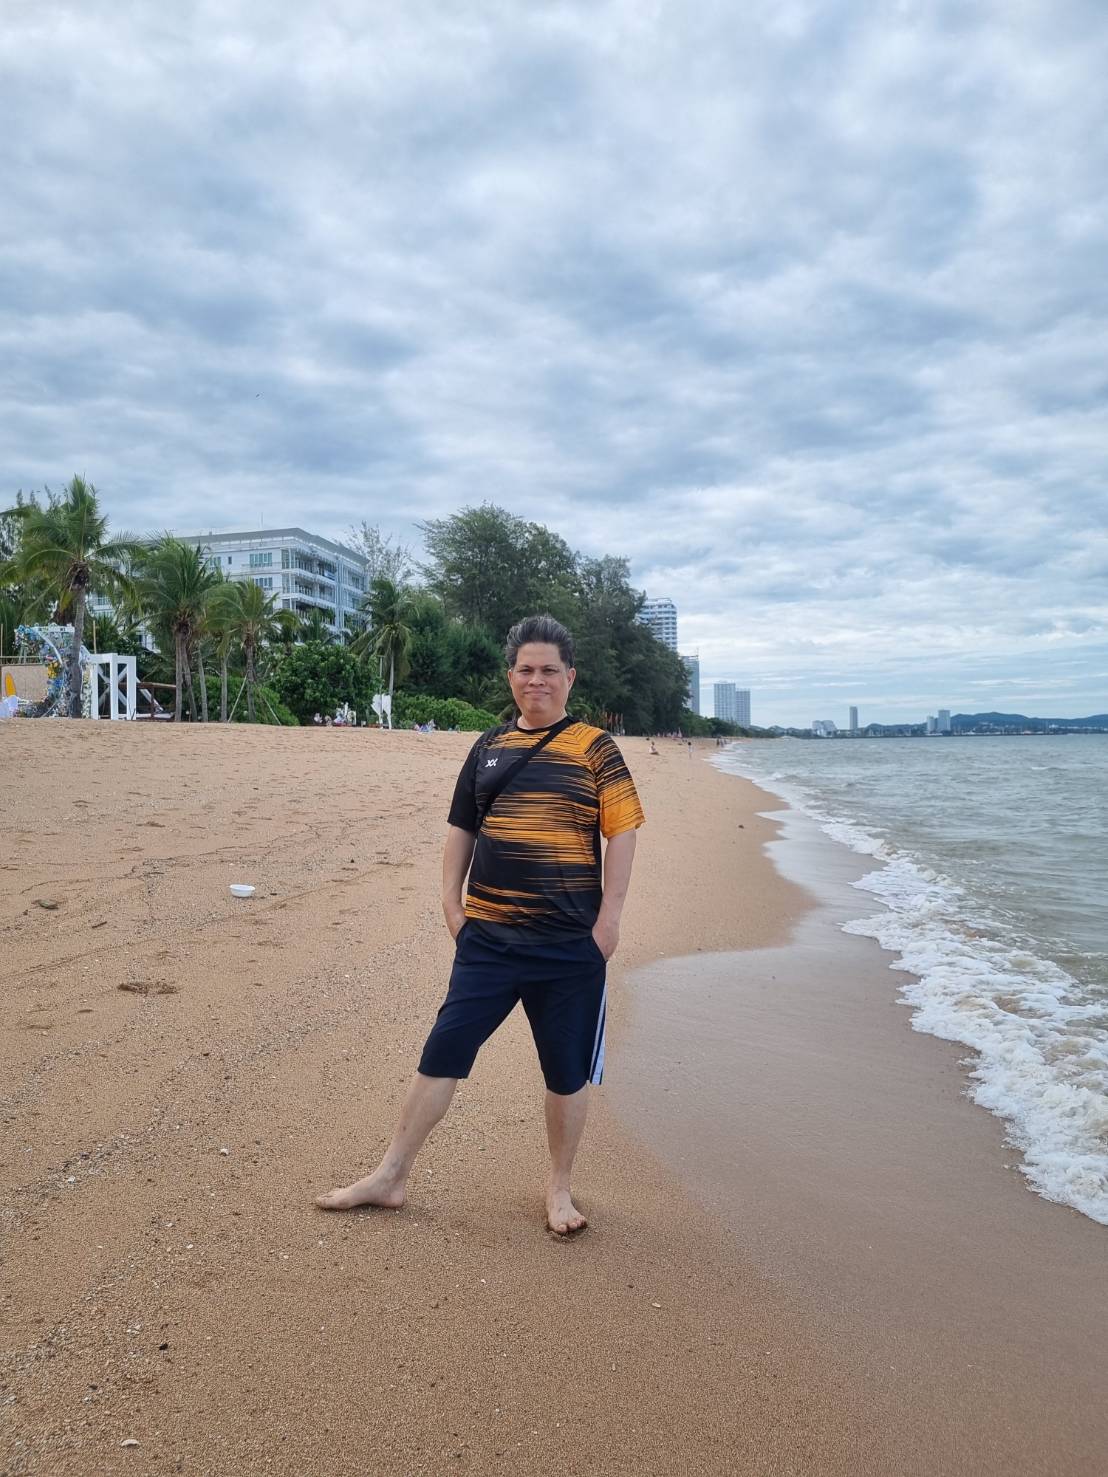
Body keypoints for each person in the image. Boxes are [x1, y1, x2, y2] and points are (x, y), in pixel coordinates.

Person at [316, 613, 644, 1236]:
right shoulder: (487, 747)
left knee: (566, 1071)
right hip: (488, 941)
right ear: (511, 676)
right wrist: (452, 906)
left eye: (549, 670)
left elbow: (622, 832)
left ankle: (559, 1189)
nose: (537, 680)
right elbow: (461, 828)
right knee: (443, 1052)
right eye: (526, 670)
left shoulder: (596, 748)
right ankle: (390, 1176)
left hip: (569, 946)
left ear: (570, 678)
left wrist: (609, 923)